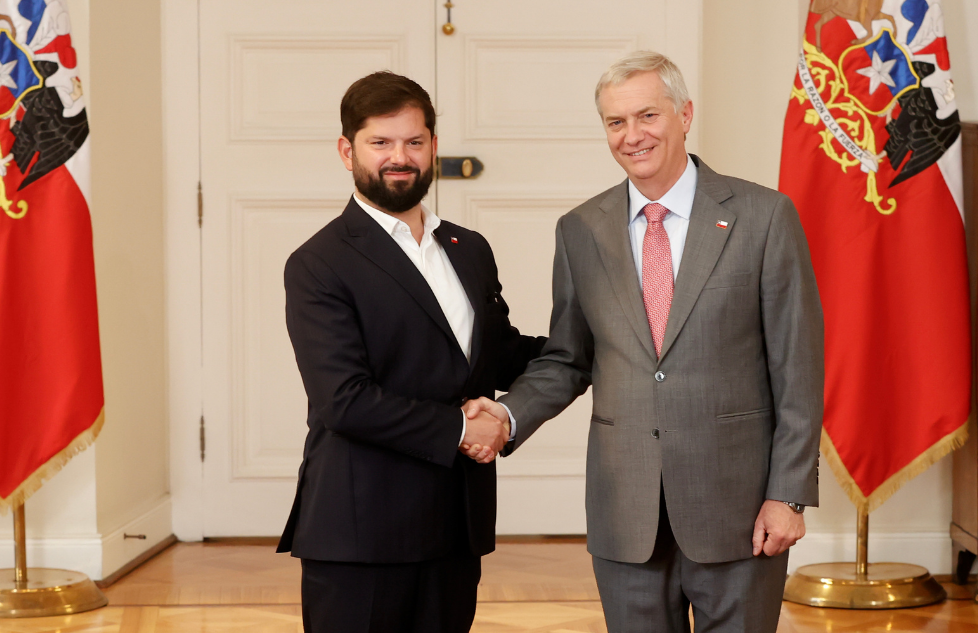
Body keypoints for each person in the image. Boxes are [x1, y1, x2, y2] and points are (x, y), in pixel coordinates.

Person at [463, 51, 824, 633]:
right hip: (624, 511)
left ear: (684, 114)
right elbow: (568, 358)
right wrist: (507, 415)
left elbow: (798, 368)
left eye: (647, 116)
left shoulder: (764, 217)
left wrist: (788, 493)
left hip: (738, 507)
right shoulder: (581, 229)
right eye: (615, 122)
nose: (632, 136)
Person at [277, 71, 546, 633]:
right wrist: (462, 428)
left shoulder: (468, 249)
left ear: (433, 148)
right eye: (381, 142)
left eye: (414, 142)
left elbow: (494, 355)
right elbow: (344, 401)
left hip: (454, 524)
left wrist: (601, 346)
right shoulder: (318, 263)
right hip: (360, 533)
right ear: (347, 151)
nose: (400, 157)